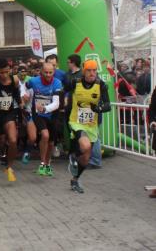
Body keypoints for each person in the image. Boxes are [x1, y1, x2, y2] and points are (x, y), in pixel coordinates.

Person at [68, 60, 110, 193]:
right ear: (84, 71)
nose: (92, 73)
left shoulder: (101, 85)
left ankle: (75, 179)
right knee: (85, 146)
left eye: (94, 70)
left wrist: (99, 108)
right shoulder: (75, 82)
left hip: (91, 125)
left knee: (86, 157)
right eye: (89, 70)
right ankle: (73, 155)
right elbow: (63, 91)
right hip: (76, 122)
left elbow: (108, 105)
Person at [24, 63, 62, 176]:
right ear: (41, 71)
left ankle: (47, 163)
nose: (48, 75)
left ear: (54, 72)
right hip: (38, 114)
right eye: (46, 72)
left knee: (50, 142)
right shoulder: (34, 81)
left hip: (52, 114)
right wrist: (24, 94)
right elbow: (24, 86)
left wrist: (45, 108)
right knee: (45, 135)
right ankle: (42, 163)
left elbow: (56, 103)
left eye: (50, 72)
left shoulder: (57, 83)